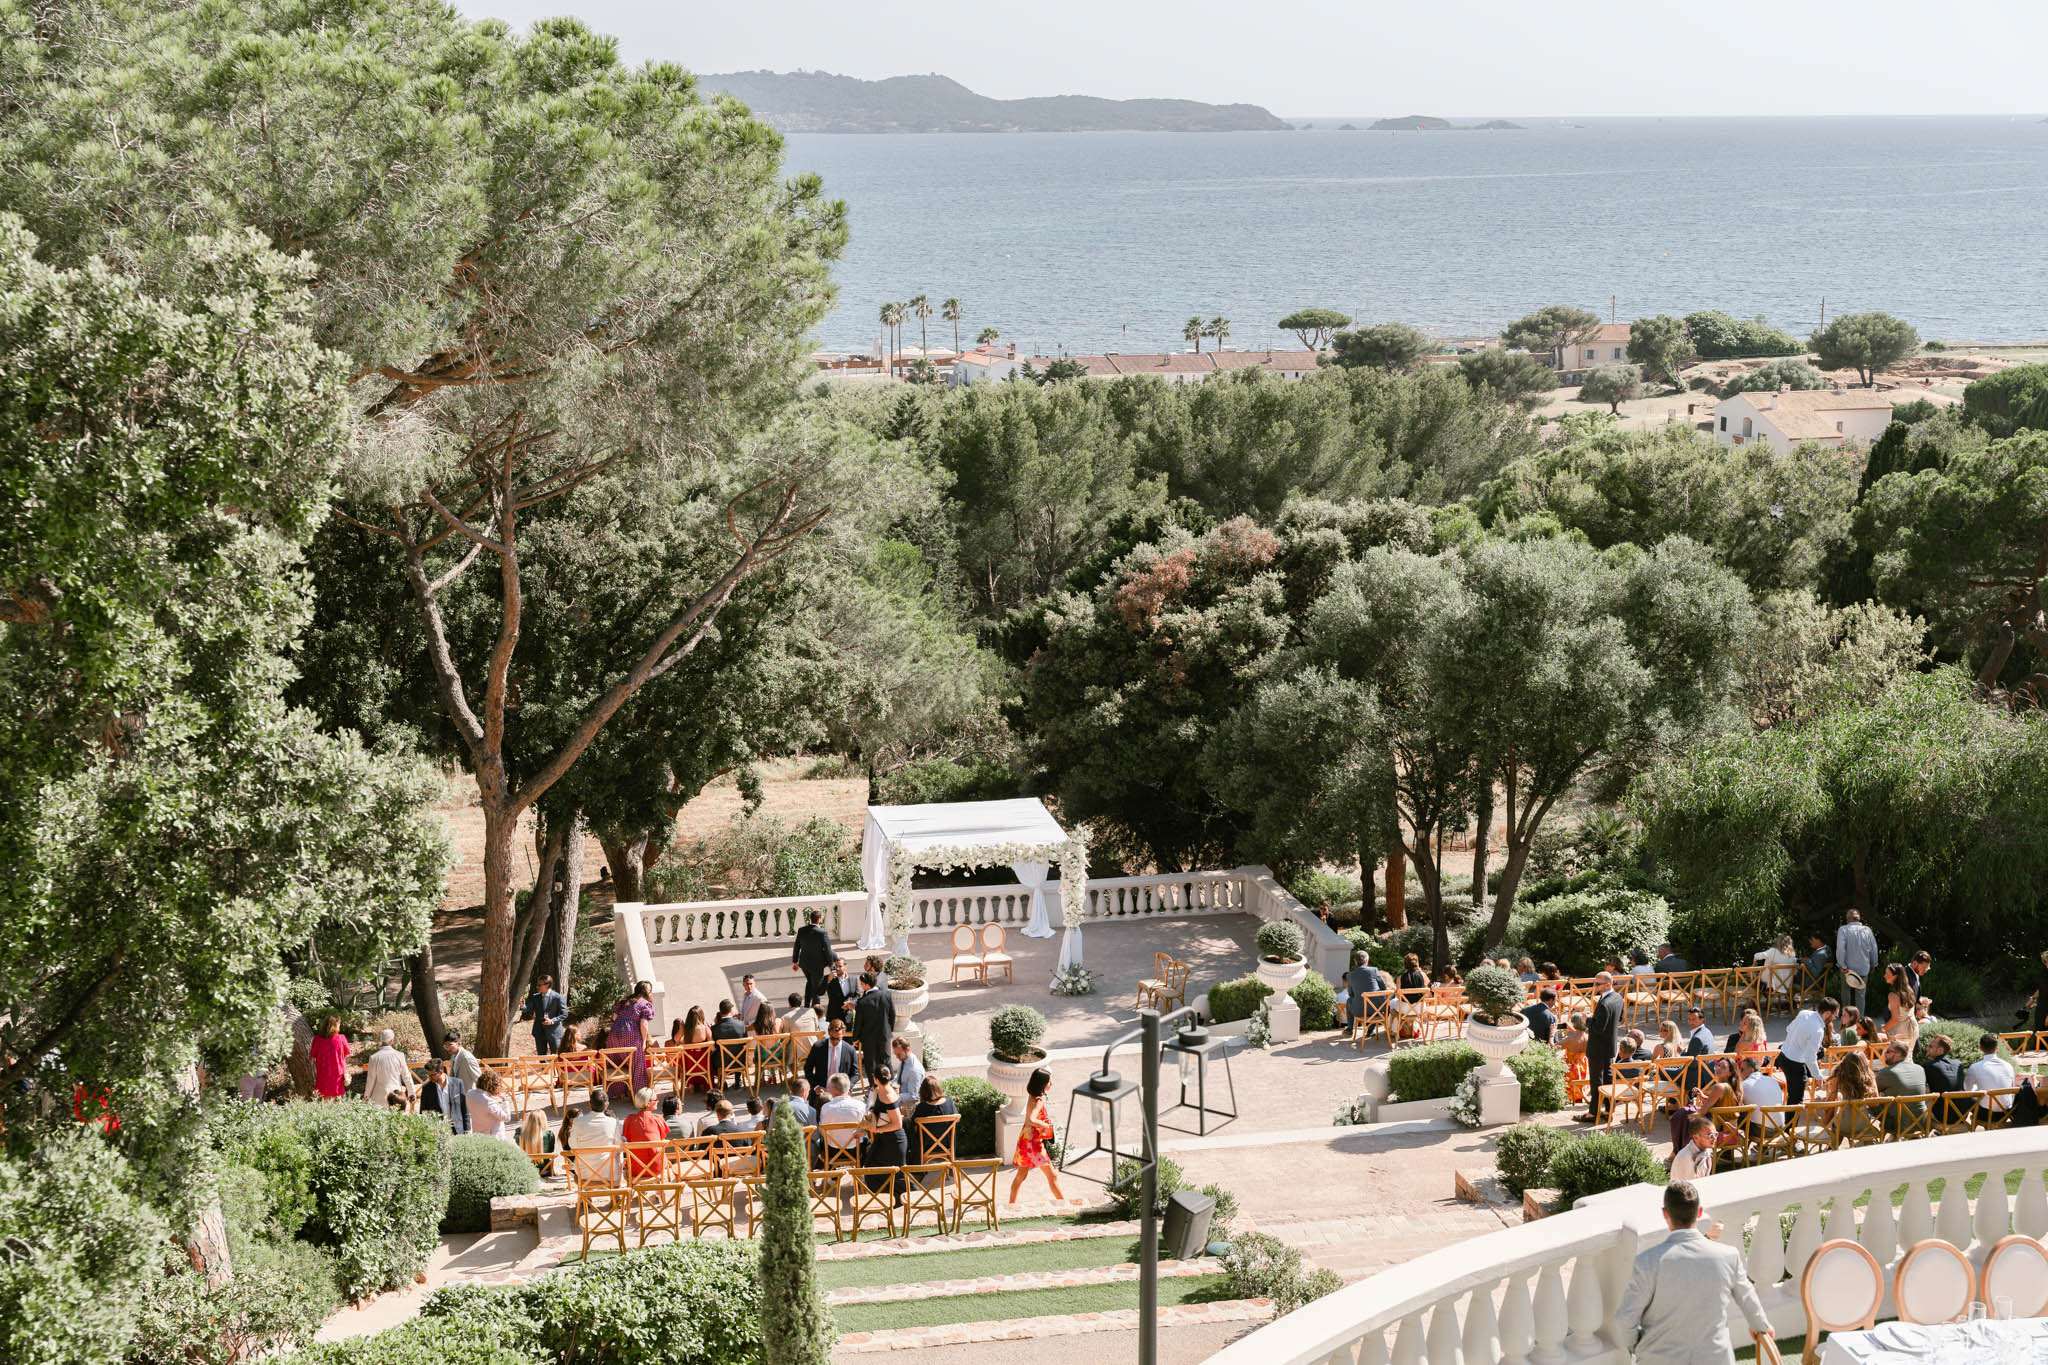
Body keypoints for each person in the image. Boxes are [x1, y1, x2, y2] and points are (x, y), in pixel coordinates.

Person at [1613, 1181, 1771, 1365]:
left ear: (1665, 1213)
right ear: (1700, 1212)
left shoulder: (1646, 1262)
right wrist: (1762, 1327)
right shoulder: (1728, 1256)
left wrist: (1640, 1346)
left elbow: (1624, 1320)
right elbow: (1748, 1299)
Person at [1007, 1067, 1064, 1205]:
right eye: (1049, 1082)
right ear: (1043, 1084)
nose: (1051, 1084)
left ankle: (1011, 1204)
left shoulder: (1032, 1096)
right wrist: (1046, 1125)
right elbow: (1031, 1119)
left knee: (1021, 1176)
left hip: (1025, 1139)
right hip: (1034, 1144)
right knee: (1052, 1175)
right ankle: (1063, 1203)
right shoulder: (1039, 1100)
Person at [1776, 995, 1837, 1106]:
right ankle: (1790, 1124)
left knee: (1792, 1097)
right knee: (1796, 1102)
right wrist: (1818, 1076)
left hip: (1782, 1056)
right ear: (1827, 1013)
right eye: (1834, 1015)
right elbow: (1810, 1058)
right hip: (1795, 1065)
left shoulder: (1803, 1013)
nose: (1834, 1018)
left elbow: (1788, 1029)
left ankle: (1787, 1123)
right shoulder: (1818, 1030)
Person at [860, 1062, 908, 1193]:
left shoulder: (888, 1096)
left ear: (875, 1078)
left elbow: (898, 1124)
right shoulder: (880, 1089)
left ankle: (896, 1202)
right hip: (884, 1139)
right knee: (871, 1166)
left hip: (893, 1141)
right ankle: (883, 1200)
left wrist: (877, 1130)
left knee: (896, 1177)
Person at [604, 980, 656, 1099]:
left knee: (617, 1063)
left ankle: (617, 1093)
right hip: (631, 1035)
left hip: (614, 1034)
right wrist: (643, 1041)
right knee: (637, 1063)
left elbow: (614, 1017)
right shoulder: (644, 1003)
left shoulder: (625, 1002)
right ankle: (638, 1095)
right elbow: (644, 1024)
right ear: (648, 992)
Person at [1583, 973, 1623, 1122]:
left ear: (1608, 984)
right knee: (1607, 1078)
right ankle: (1608, 1111)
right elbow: (1619, 1018)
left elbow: (1598, 1028)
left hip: (1598, 1047)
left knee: (1596, 1081)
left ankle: (1593, 1113)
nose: (1595, 987)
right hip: (1610, 1046)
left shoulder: (1606, 1003)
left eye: (1598, 984)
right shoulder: (1618, 998)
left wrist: (1587, 1020)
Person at [852, 969, 896, 1084]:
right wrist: (889, 1030)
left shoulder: (862, 1002)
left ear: (867, 985)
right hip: (884, 1035)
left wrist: (855, 1038)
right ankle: (890, 1083)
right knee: (886, 1060)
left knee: (870, 1064)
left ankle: (874, 1087)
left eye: (862, 984)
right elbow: (892, 1015)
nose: (861, 986)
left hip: (868, 1038)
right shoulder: (886, 995)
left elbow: (858, 1023)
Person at [569, 1095, 620, 1187]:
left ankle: (586, 1199)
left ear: (589, 1104)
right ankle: (615, 1198)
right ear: (607, 1104)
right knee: (617, 1156)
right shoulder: (613, 1122)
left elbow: (572, 1145)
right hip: (609, 1173)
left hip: (584, 1174)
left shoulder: (577, 1122)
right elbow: (619, 1145)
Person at [1835, 909, 1878, 1014]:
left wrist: (1842, 965)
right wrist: (1874, 964)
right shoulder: (1867, 930)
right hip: (1863, 967)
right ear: (1859, 918)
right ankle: (1860, 1021)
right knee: (1861, 996)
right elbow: (1874, 949)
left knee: (1846, 995)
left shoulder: (1843, 929)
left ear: (1847, 919)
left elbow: (1841, 949)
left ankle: (1847, 1020)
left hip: (1847, 969)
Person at [792, 908, 835, 1009]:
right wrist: (831, 965)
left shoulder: (801, 930)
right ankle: (816, 1009)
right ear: (819, 919)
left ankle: (807, 1005)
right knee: (817, 988)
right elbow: (828, 950)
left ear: (810, 919)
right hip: (817, 966)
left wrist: (795, 962)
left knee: (810, 982)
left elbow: (796, 946)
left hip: (804, 964)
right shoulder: (822, 932)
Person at [362, 1028, 415, 1109]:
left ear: (381, 1041)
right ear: (392, 1041)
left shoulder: (374, 1058)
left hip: (378, 1097)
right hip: (396, 1096)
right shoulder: (399, 1055)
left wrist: (366, 1096)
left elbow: (371, 1080)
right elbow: (406, 1076)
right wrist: (411, 1093)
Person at [621, 1087, 665, 1181]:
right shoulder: (658, 1119)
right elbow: (662, 1141)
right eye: (656, 1099)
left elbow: (627, 1140)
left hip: (635, 1170)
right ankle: (659, 1193)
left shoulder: (629, 1120)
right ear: (648, 1103)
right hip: (656, 1169)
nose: (658, 1101)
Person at [1966, 1033, 2017, 1113]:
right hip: (2006, 1112)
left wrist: (1978, 1090)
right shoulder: (2008, 1066)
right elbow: (2013, 1089)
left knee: (1967, 1099)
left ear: (1980, 1048)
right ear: (1997, 1048)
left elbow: (1967, 1090)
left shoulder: (1975, 1067)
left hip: (1986, 1114)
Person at [818, 1074, 866, 1160]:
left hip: (832, 1151)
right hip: (855, 1151)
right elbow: (865, 1129)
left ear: (832, 1090)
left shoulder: (826, 1108)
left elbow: (822, 1131)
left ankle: (825, 1167)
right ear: (848, 1088)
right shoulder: (861, 1106)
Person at [805, 1018, 859, 1092]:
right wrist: (816, 1086)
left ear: (843, 1034)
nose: (835, 1041)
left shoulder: (850, 1050)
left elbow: (855, 1074)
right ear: (829, 1033)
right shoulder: (818, 1047)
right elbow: (807, 1068)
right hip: (821, 1090)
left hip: (841, 1091)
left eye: (838, 1038)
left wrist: (848, 1087)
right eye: (832, 1038)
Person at [1737, 1055, 1785, 1136]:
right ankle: (1761, 1147)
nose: (1740, 1073)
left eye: (1742, 1070)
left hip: (1762, 1131)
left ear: (1751, 1069)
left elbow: (1737, 1106)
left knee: (1734, 1115)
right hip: (1780, 1128)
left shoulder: (1744, 1085)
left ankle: (1732, 1144)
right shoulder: (1772, 1080)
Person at [521, 973, 567, 1055]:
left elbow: (564, 1014)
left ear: (547, 985)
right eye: (537, 984)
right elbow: (528, 1008)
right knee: (541, 1057)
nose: (537, 987)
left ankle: (555, 1069)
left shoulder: (558, 997)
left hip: (554, 1032)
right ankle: (544, 1068)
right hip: (539, 1032)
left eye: (539, 985)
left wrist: (552, 1021)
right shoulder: (535, 997)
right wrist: (523, 1006)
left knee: (556, 1056)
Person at [467, 1068, 515, 1142]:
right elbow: (507, 1118)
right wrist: (505, 1101)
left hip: (477, 1135)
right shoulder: (488, 1101)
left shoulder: (470, 1093)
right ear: (492, 1086)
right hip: (493, 1138)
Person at [311, 1017, 352, 1100]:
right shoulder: (341, 1038)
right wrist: (346, 1071)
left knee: (325, 1098)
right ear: (335, 1026)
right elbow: (347, 1055)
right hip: (338, 1073)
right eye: (338, 1025)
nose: (339, 1027)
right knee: (338, 1098)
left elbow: (313, 1056)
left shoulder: (317, 1039)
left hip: (323, 1073)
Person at [673, 1005, 712, 1093]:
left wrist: (681, 1029)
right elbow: (712, 1045)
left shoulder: (686, 1030)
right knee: (708, 1056)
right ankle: (703, 1083)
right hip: (703, 1064)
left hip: (689, 1065)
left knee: (682, 1059)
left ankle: (691, 1084)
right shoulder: (704, 1028)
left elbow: (676, 1040)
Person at [1668, 1116, 1717, 1181]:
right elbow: (1690, 1185)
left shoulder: (1706, 1149)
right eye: (1710, 1135)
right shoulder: (1686, 1157)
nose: (1714, 1138)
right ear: (1696, 1137)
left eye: (1715, 1134)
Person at [1882, 964, 1919, 1051]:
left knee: (1896, 1059)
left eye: (1887, 973)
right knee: (1907, 1057)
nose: (1884, 976)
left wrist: (1882, 1029)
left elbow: (1895, 1019)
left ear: (1895, 976)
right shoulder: (1909, 990)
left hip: (1901, 1031)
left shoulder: (1893, 995)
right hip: (1913, 1028)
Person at [1393, 953, 1428, 1043]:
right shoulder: (1422, 975)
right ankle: (1415, 1029)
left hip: (1404, 1009)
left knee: (1392, 1004)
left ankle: (1394, 1031)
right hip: (1419, 1008)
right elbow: (1427, 989)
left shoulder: (1400, 977)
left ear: (1405, 964)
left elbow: (1397, 995)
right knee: (1396, 1004)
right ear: (1416, 963)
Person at [518, 1110, 558, 1177]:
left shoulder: (521, 1136)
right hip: (545, 1169)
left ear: (529, 1120)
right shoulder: (549, 1134)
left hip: (528, 1170)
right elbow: (551, 1151)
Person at [823, 958, 857, 1027]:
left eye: (840, 966)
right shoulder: (829, 978)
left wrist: (851, 1002)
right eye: (836, 966)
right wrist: (828, 980)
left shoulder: (853, 979)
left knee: (849, 1036)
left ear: (845, 966)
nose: (837, 968)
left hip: (849, 1015)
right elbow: (820, 992)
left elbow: (857, 995)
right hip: (834, 1015)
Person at [418, 1058, 452, 1127]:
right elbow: (423, 1112)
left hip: (456, 1129)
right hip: (437, 1129)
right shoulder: (426, 1088)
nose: (430, 1077)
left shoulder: (457, 1084)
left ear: (441, 1071)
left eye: (432, 1075)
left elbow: (463, 1110)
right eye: (428, 1075)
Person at [891, 1035, 924, 1103]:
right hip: (899, 1095)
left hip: (907, 1105)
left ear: (907, 1050)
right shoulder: (904, 1061)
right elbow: (899, 1078)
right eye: (895, 1054)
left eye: (899, 1054)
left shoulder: (914, 1070)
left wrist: (894, 1096)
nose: (897, 1057)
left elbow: (913, 1096)